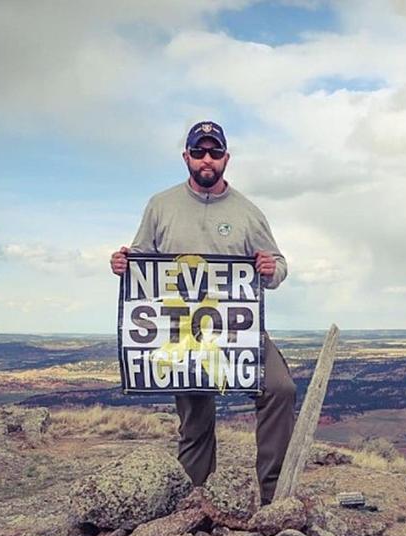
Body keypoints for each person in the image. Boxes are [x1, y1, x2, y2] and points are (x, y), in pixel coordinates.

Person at [110, 120, 295, 505]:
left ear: (226, 157)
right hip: (182, 333)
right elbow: (142, 257)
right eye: (198, 152)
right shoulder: (160, 206)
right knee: (195, 421)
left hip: (237, 329)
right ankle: (194, 505)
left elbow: (278, 264)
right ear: (186, 157)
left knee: (279, 389)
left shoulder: (248, 212)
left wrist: (270, 269)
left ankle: (274, 498)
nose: (206, 160)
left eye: (214, 152)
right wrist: (125, 262)